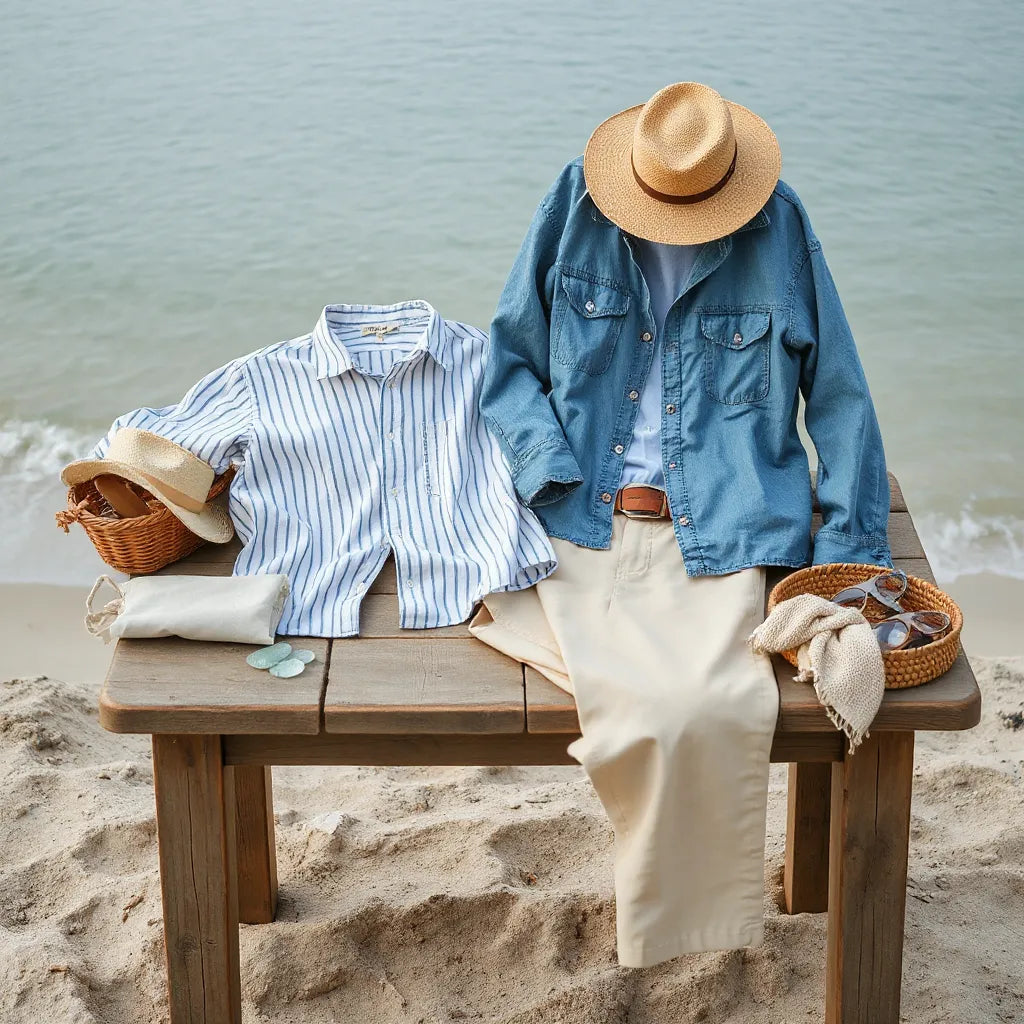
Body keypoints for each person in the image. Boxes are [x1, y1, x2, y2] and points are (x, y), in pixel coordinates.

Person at [469, 81, 892, 969]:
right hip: (575, 524)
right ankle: (680, 929)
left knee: (703, 708)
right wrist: (545, 467)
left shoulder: (780, 228)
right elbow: (505, 363)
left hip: (725, 535)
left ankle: (684, 936)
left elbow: (842, 395)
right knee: (644, 713)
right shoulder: (572, 205)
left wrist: (845, 569)